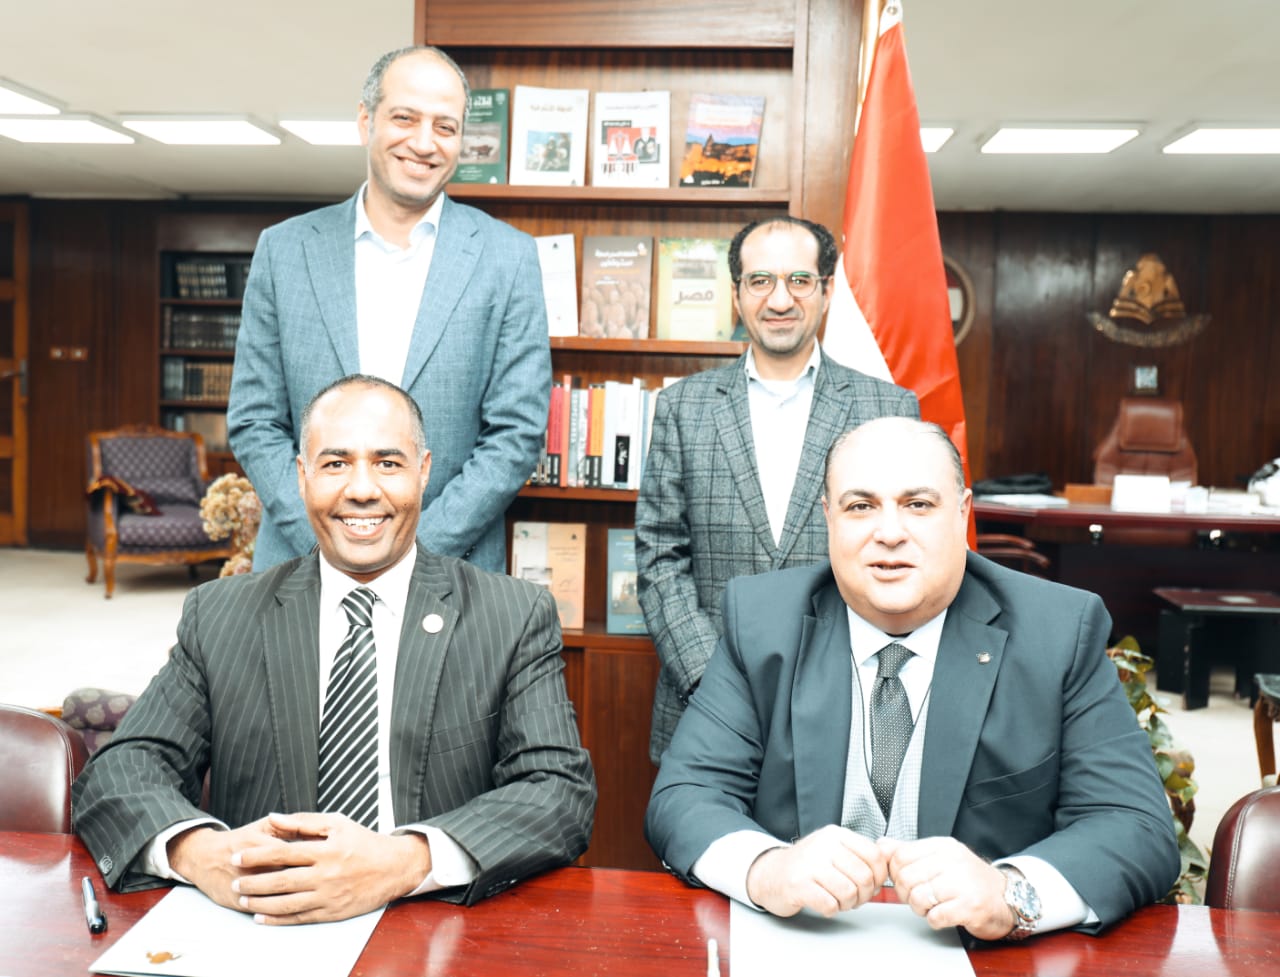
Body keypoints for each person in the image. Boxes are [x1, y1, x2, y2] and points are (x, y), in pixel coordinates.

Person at [74, 375, 595, 923]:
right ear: (302, 477)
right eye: (335, 463)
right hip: (262, 924)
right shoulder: (221, 615)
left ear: (423, 472)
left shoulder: (511, 616)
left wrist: (404, 862)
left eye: (388, 463)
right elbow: (120, 770)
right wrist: (200, 853)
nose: (362, 489)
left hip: (433, 923)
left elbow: (558, 793)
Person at [645, 417, 1180, 939]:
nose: (890, 533)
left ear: (962, 513)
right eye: (860, 507)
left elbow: (1135, 825)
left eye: (918, 505)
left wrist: (1008, 895)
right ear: (829, 517)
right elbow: (685, 795)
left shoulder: (1057, 632)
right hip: (804, 943)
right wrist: (768, 870)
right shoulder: (763, 621)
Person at [228, 45, 550, 573]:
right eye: (405, 118)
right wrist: (329, 539)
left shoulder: (509, 257)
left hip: (450, 568)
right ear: (366, 121)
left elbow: (516, 433)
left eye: (445, 127)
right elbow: (254, 419)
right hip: (301, 562)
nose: (424, 143)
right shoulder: (284, 250)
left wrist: (412, 553)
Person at [635, 216, 919, 764]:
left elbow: (900, 554)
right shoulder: (682, 407)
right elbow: (659, 557)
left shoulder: (888, 409)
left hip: (846, 704)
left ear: (826, 291)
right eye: (760, 280)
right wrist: (713, 681)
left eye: (799, 280)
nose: (780, 299)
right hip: (705, 706)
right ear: (737, 294)